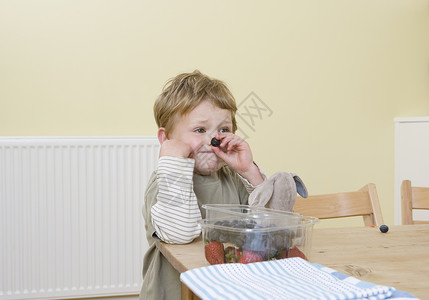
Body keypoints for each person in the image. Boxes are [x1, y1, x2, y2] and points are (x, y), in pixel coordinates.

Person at [139, 70, 266, 300]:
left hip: (222, 290)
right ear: (166, 138)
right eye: (200, 130)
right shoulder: (165, 181)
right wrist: (174, 161)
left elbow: (267, 227)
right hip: (174, 294)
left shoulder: (233, 178)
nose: (213, 140)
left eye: (223, 130)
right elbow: (179, 234)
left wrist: (249, 171)